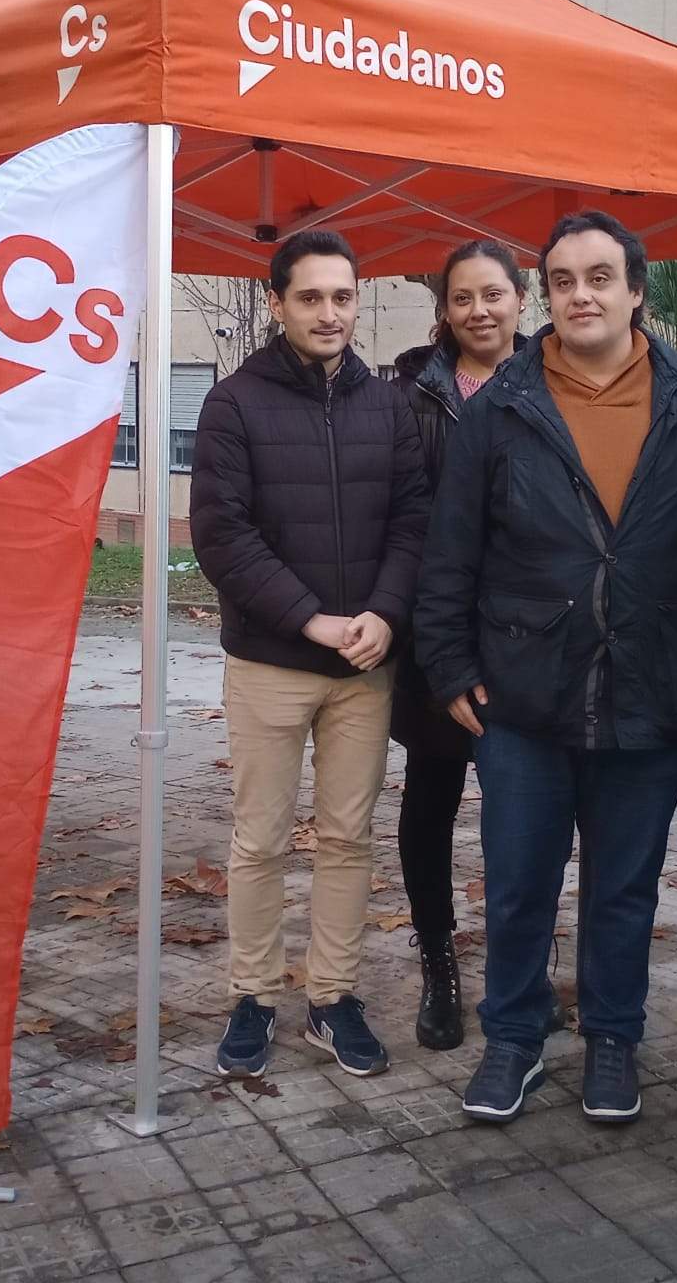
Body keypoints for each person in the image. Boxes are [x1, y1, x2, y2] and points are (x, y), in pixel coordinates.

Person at [417, 210, 677, 1126]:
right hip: (522, 697)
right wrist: (447, 665)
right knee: (516, 884)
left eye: (599, 277)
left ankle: (615, 1040)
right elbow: (448, 554)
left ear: (635, 291)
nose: (580, 295)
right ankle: (513, 1040)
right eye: (561, 280)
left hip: (650, 693)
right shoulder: (500, 410)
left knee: (625, 888)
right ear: (543, 295)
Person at [189, 228, 429, 1080]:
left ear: (357, 302)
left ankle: (333, 998)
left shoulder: (389, 403)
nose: (329, 313)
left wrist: (385, 614)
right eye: (311, 297)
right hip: (270, 663)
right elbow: (222, 536)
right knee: (259, 841)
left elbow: (412, 520)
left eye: (342, 297)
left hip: (365, 664)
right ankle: (252, 997)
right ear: (277, 303)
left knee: (347, 838)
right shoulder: (234, 404)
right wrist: (312, 621)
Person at [390, 240, 529, 1051]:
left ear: (521, 298)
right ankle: (439, 967)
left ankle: (519, 970)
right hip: (438, 628)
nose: (479, 311)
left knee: (525, 811)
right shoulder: (413, 393)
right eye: (462, 298)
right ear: (444, 309)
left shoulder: (555, 379)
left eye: (493, 295)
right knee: (432, 800)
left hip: (528, 635)